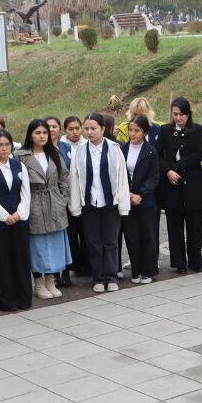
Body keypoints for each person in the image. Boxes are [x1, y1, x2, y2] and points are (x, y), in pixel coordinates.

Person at [69, 112, 130, 293]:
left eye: (93, 128)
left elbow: (122, 178)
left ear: (103, 129)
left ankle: (111, 277)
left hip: (111, 202)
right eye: (86, 128)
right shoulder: (80, 151)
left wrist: (123, 204)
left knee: (111, 241)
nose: (89, 132)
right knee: (93, 242)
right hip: (89, 203)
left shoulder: (114, 148)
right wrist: (75, 206)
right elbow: (74, 178)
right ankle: (98, 277)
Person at [15, 119, 72, 299]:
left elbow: (64, 177)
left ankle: (50, 280)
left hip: (54, 202)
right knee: (37, 245)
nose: (42, 136)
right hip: (35, 203)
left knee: (54, 244)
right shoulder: (21, 156)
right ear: (30, 135)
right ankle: (38, 283)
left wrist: (63, 198)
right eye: (38, 133)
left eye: (45, 133)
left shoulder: (54, 153)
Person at [0, 129, 33, 311]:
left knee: (21, 260)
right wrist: (5, 216)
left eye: (7, 144)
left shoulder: (20, 167)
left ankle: (24, 299)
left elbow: (26, 194)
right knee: (3, 262)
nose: (4, 148)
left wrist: (19, 214)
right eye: (0, 145)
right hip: (0, 224)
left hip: (20, 222)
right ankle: (7, 302)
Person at [157, 98, 202, 274]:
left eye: (182, 115)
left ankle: (196, 261)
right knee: (175, 226)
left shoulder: (197, 129)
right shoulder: (165, 130)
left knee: (195, 225)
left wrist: (179, 165)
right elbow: (158, 155)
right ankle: (179, 262)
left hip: (192, 183)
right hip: (172, 184)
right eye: (175, 114)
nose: (178, 118)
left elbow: (200, 154)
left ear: (188, 114)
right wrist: (168, 171)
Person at [121, 115, 160, 283]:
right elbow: (119, 174)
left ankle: (148, 271)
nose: (133, 133)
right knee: (132, 237)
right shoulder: (122, 149)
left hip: (146, 201)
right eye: (130, 130)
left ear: (144, 132)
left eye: (136, 130)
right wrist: (128, 194)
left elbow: (154, 177)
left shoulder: (150, 150)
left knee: (148, 236)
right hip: (127, 199)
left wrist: (140, 195)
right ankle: (136, 271)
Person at [60, 115, 88, 284]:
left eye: (78, 128)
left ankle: (86, 265)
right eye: (71, 129)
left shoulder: (86, 144)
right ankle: (72, 266)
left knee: (86, 233)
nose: (75, 132)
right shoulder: (62, 147)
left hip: (84, 197)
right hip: (67, 197)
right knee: (70, 235)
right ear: (65, 130)